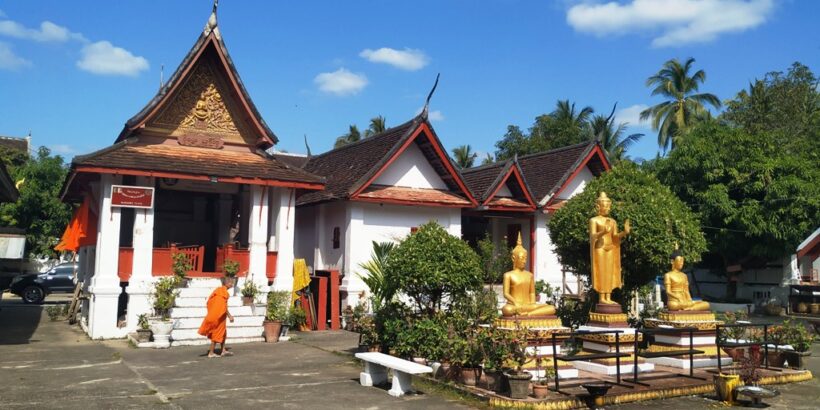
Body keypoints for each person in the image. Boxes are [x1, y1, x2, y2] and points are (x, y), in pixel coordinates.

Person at [589, 191, 630, 305]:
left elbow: (615, 236)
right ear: (598, 206)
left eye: (609, 206)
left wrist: (624, 232)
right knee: (602, 271)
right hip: (600, 248)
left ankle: (608, 296)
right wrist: (603, 232)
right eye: (605, 206)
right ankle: (602, 297)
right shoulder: (594, 220)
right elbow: (592, 236)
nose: (608, 208)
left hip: (610, 247)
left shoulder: (612, 221)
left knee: (609, 272)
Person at [501, 233, 555, 317]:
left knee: (552, 308)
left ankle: (529, 314)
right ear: (513, 258)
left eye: (525, 258)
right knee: (507, 310)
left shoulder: (529, 275)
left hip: (528, 307)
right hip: (514, 306)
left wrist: (533, 304)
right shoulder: (508, 275)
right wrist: (515, 302)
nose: (524, 261)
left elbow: (532, 293)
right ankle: (528, 313)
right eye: (522, 258)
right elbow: (506, 294)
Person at [198, 276, 235, 357]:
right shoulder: (222, 292)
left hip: (221, 316)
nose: (232, 285)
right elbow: (222, 307)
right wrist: (230, 316)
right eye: (231, 283)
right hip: (218, 316)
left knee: (223, 333)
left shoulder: (219, 291)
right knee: (217, 333)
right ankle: (211, 353)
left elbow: (218, 305)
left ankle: (223, 350)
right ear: (227, 283)